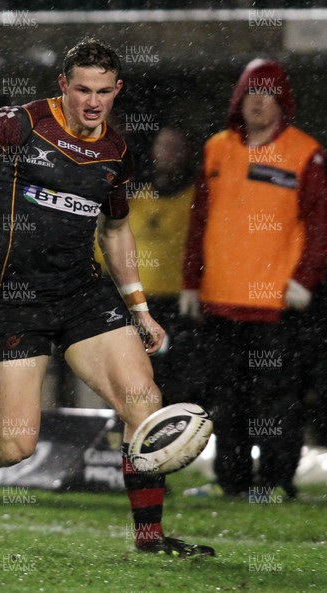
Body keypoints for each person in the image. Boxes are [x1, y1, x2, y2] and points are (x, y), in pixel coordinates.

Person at [0, 37, 214, 557]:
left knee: (143, 403)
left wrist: (141, 309)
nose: (92, 101)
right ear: (64, 85)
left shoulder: (117, 151)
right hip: (18, 300)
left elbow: (117, 232)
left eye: (103, 91)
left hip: (83, 294)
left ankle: (150, 539)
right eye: (82, 89)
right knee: (15, 444)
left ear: (117, 91)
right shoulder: (20, 123)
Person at [180, 58, 326, 499]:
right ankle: (232, 483)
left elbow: (320, 224)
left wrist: (305, 279)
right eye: (250, 94)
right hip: (220, 301)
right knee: (228, 399)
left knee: (278, 400)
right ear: (238, 100)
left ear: (283, 103)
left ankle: (277, 483)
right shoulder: (216, 149)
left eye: (267, 96)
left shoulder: (307, 153)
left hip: (278, 305)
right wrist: (191, 281)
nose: (258, 103)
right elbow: (199, 219)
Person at [126, 127, 204, 405]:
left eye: (176, 147)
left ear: (186, 153)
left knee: (178, 375)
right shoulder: (136, 197)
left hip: (180, 303)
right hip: (139, 303)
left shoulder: (198, 197)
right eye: (163, 146)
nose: (168, 153)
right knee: (137, 376)